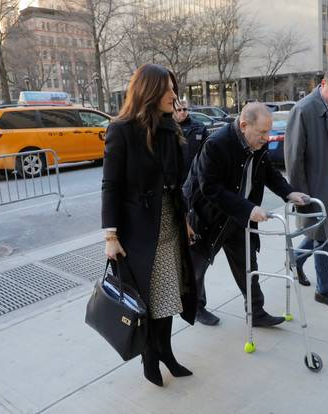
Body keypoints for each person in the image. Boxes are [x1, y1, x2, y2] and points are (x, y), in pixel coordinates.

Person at [102, 64, 197, 387]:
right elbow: (110, 185)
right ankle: (150, 358)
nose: (174, 95)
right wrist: (110, 235)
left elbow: (175, 182)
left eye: (174, 87)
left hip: (170, 226)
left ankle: (166, 353)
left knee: (170, 297)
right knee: (149, 303)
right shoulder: (122, 129)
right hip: (139, 234)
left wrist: (183, 221)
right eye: (168, 89)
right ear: (150, 92)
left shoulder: (169, 127)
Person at [184, 103, 309, 327]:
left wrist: (289, 193)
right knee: (197, 268)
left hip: (237, 215)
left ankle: (256, 312)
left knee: (247, 264)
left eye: (268, 131)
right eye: (262, 132)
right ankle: (196, 307)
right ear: (244, 125)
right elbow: (209, 188)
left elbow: (270, 173)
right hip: (206, 216)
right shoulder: (216, 144)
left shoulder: (256, 144)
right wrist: (249, 209)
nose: (266, 137)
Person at [284, 67, 328, 308]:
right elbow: (293, 157)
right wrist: (298, 195)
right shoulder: (303, 109)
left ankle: (295, 259)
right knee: (324, 237)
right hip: (315, 187)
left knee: (321, 235)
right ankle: (324, 289)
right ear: (323, 83)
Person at [174, 100, 209, 181]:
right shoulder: (171, 128)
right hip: (177, 175)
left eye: (185, 109)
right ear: (174, 111)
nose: (182, 112)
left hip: (195, 174)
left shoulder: (199, 126)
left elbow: (207, 149)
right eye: (179, 110)